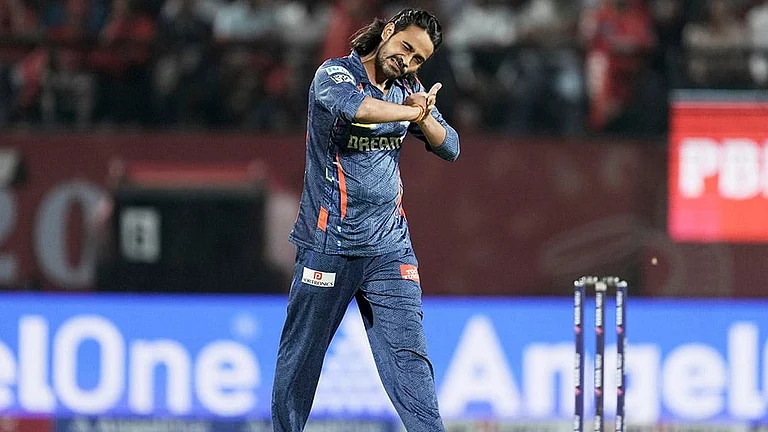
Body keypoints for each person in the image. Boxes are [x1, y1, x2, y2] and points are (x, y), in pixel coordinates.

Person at [271, 8, 460, 432]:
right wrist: (412, 114)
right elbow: (360, 110)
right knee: (301, 359)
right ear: (388, 31)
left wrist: (426, 115)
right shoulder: (334, 75)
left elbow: (452, 147)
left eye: (418, 60)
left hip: (389, 249)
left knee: (410, 359)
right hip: (328, 245)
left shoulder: (408, 90)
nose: (408, 62)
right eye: (406, 48)